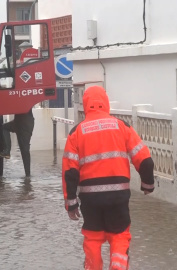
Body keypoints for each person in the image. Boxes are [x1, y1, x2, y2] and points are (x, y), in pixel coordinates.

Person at [62, 85, 155, 270]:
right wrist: (147, 185)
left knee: (93, 239)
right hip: (118, 197)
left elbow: (69, 173)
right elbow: (145, 161)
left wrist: (71, 204)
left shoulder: (76, 133)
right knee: (119, 236)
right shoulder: (122, 127)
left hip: (90, 199)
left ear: (86, 105)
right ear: (106, 103)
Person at [0, 108, 35, 177]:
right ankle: (28, 176)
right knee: (25, 148)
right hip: (21, 122)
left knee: (24, 148)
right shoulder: (27, 99)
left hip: (23, 123)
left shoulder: (20, 99)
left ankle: (7, 151)